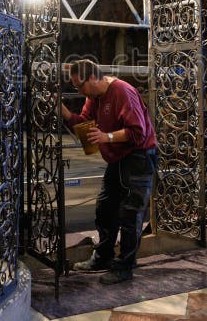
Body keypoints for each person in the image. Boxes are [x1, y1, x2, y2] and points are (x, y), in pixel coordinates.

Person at [61, 59, 158, 285]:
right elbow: (85, 124)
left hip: (139, 156)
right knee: (105, 208)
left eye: (79, 86)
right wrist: (64, 113)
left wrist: (107, 137)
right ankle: (103, 257)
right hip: (118, 159)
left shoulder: (122, 91)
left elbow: (138, 132)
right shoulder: (93, 97)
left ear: (93, 77)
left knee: (130, 213)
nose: (79, 91)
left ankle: (124, 266)